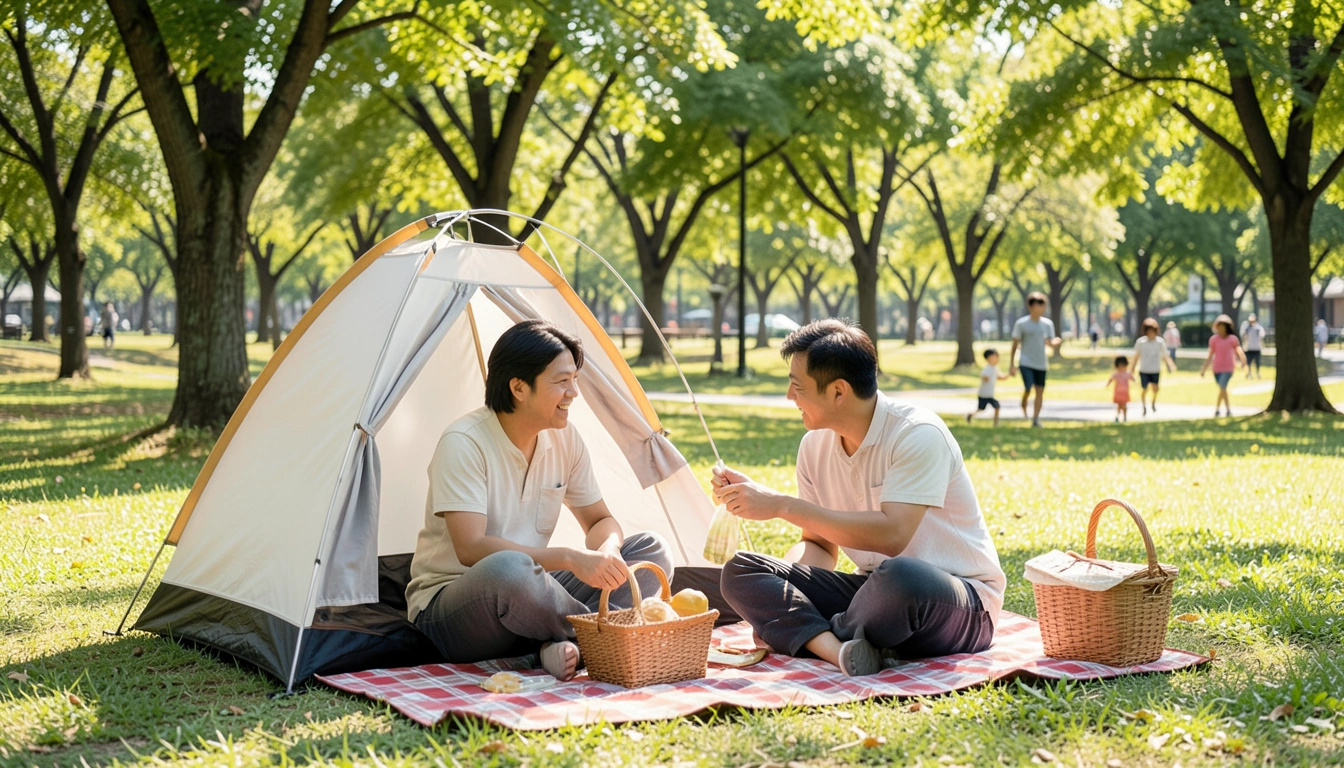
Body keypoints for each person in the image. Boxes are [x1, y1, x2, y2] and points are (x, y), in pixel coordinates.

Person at [713, 320, 1005, 677]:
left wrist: (780, 505)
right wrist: (788, 583)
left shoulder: (918, 434)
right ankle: (839, 650)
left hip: (957, 602)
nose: (790, 396)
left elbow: (892, 536)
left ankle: (802, 635)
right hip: (872, 596)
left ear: (838, 392)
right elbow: (819, 547)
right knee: (743, 570)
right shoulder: (814, 446)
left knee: (901, 576)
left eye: (796, 385)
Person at [405, 320, 672, 681]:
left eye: (574, 380)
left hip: (535, 595)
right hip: (454, 606)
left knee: (650, 549)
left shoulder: (565, 439)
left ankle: (557, 642)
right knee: (509, 569)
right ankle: (603, 638)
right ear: (518, 387)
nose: (573, 392)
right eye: (562, 382)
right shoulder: (463, 443)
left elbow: (598, 522)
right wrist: (569, 557)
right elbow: (470, 547)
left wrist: (608, 549)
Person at [1008, 292, 1063, 427]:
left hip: (1041, 362)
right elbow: (1015, 344)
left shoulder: (1047, 324)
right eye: (1038, 306)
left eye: (1043, 306)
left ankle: (1035, 419)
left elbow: (1051, 341)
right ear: (1031, 307)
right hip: (1026, 361)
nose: (1041, 309)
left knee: (1039, 391)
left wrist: (1055, 342)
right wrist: (1012, 364)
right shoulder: (1021, 324)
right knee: (1028, 387)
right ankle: (1024, 401)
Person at [1199, 314, 1248, 418]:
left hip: (1228, 367)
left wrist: (1243, 362)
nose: (1220, 328)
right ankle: (1225, 410)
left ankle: (1220, 409)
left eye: (1222, 326)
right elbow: (1210, 354)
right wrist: (1204, 369)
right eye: (1219, 326)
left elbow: (1239, 351)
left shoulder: (1232, 339)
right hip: (1217, 368)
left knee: (1222, 386)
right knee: (1223, 389)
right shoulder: (1214, 339)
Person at [1132, 318, 1176, 416]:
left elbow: (1165, 355)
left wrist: (1171, 364)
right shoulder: (1140, 342)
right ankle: (1144, 407)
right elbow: (1136, 356)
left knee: (1155, 389)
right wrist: (1132, 369)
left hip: (1155, 369)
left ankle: (1153, 403)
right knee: (1145, 389)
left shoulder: (1160, 342)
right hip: (1144, 369)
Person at [966, 348, 1010, 426]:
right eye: (994, 357)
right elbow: (983, 375)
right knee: (981, 409)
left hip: (990, 394)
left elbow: (999, 377)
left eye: (997, 357)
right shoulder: (987, 369)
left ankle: (995, 423)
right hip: (984, 394)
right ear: (988, 359)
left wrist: (1008, 375)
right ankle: (970, 414)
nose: (996, 359)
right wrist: (985, 378)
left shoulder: (995, 368)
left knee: (997, 406)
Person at [1107, 355, 1133, 423]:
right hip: (1118, 392)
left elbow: (1132, 379)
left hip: (1125, 392)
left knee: (1124, 405)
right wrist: (1107, 384)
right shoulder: (1116, 374)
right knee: (1119, 405)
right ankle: (1117, 417)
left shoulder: (1127, 373)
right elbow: (1111, 379)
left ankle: (1124, 417)